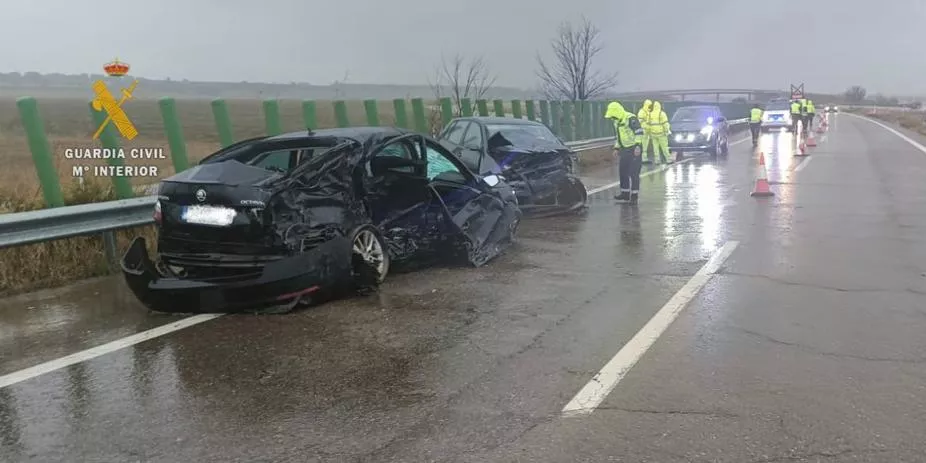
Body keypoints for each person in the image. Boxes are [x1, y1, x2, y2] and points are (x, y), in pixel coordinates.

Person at [605, 101, 644, 205]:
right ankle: (625, 193)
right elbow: (618, 137)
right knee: (623, 172)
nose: (612, 118)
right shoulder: (616, 122)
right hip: (624, 149)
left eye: (613, 116)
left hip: (634, 148)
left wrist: (638, 146)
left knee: (633, 173)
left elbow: (639, 132)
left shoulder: (630, 118)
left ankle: (634, 196)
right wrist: (616, 148)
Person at [637, 100, 653, 164]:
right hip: (642, 131)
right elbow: (640, 122)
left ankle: (644, 158)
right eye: (649, 105)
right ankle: (639, 159)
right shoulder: (641, 112)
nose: (650, 107)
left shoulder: (648, 112)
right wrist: (646, 126)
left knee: (645, 146)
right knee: (640, 145)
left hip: (647, 132)